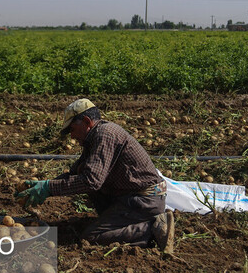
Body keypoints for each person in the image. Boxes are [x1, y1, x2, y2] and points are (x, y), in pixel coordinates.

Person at [15, 98, 174, 253]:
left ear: (86, 121)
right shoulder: (94, 137)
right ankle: (118, 221)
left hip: (144, 201)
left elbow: (91, 181)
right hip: (131, 196)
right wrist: (44, 185)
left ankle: (152, 229)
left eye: (72, 129)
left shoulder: (105, 135)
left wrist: (49, 188)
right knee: (85, 173)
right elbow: (75, 174)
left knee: (92, 236)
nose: (71, 136)